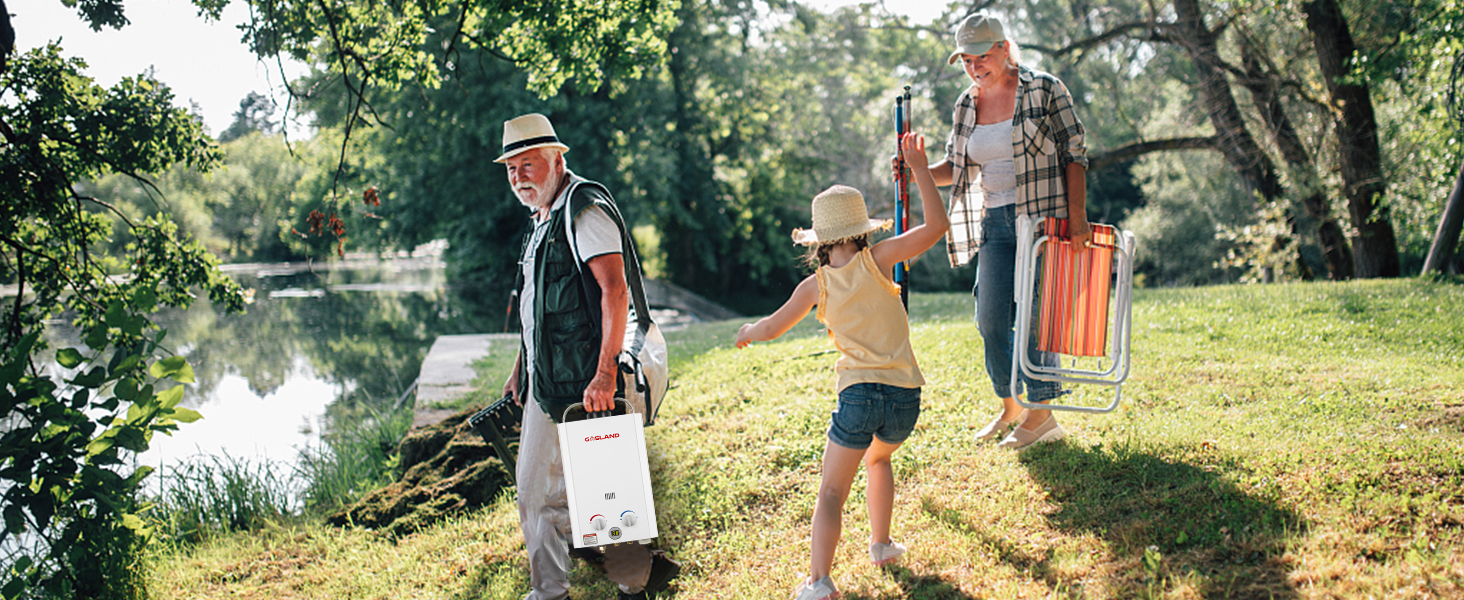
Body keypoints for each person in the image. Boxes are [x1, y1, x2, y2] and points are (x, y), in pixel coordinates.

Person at [735, 133, 949, 600]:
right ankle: (881, 544)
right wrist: (918, 169)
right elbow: (936, 227)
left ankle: (819, 583)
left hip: (858, 398)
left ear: (819, 241)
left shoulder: (816, 287)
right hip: (904, 400)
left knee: (831, 492)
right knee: (879, 457)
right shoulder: (881, 259)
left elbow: (771, 327)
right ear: (861, 231)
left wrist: (748, 331)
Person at [496, 113, 676, 600]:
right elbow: (537, 306)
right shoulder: (541, 220)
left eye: (528, 164)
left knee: (609, 501)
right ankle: (549, 590)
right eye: (511, 169)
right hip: (545, 383)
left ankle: (637, 585)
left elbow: (614, 292)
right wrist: (521, 368)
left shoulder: (583, 210)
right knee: (535, 492)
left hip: (591, 386)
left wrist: (603, 375)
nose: (519, 177)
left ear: (557, 158)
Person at [921, 13, 1091, 449]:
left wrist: (1076, 218)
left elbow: (1075, 154)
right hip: (994, 223)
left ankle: (1042, 416)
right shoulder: (966, 104)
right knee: (991, 319)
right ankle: (1012, 404)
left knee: (1036, 320)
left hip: (1042, 220)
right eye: (966, 60)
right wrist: (914, 167)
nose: (975, 66)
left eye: (982, 56)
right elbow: (956, 170)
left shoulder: (1045, 89)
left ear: (1004, 47)